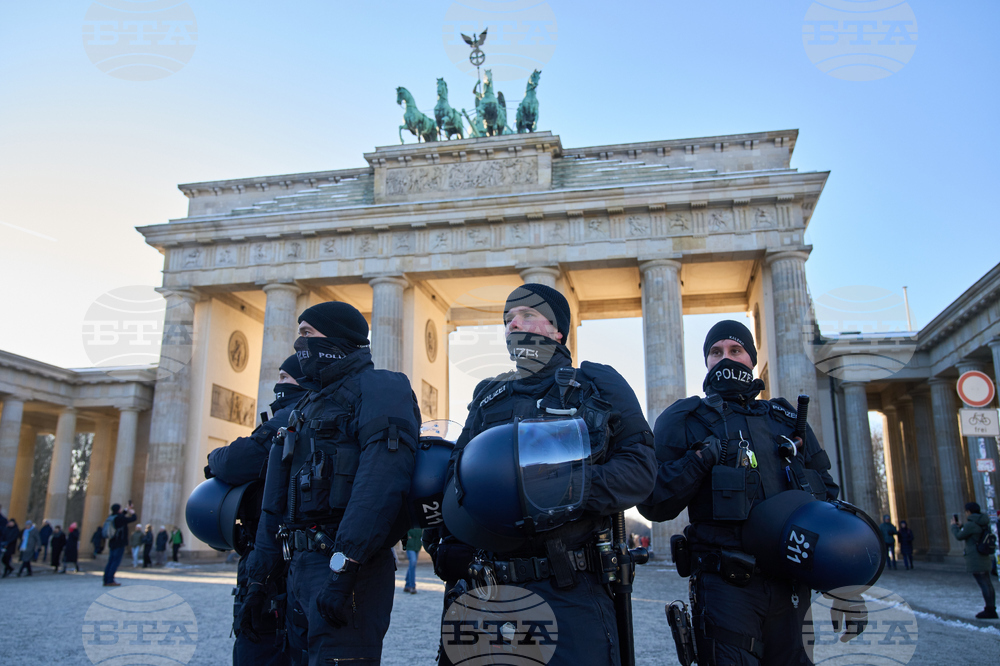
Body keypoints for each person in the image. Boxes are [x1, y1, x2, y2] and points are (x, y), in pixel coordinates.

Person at [440, 284, 656, 665]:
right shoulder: (488, 395)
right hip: (490, 589)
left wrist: (560, 488)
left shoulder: (597, 385)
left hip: (569, 589)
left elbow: (640, 471)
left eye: (526, 315)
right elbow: (454, 476)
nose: (513, 325)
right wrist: (444, 543)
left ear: (558, 329)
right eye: (507, 320)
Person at [639, 320, 842, 665]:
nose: (726, 358)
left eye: (736, 350)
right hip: (725, 588)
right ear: (706, 361)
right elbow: (655, 501)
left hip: (790, 587)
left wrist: (841, 580)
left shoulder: (788, 419)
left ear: (752, 358)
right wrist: (702, 458)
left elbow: (828, 500)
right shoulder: (686, 419)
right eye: (716, 352)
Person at [245, 301, 420, 665]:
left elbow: (381, 482)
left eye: (307, 333)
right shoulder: (304, 407)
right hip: (298, 569)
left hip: (348, 568)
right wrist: (258, 581)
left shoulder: (381, 388)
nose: (299, 343)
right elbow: (274, 502)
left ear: (337, 336)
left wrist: (345, 567)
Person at [206, 352, 311, 666]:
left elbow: (239, 460)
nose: (277, 384)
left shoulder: (291, 414)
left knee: (262, 643)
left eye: (283, 378)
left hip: (271, 555)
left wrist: (213, 459)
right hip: (300, 554)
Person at [951, 502, 997, 619]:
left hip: (975, 557)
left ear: (969, 512)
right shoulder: (983, 522)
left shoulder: (971, 524)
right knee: (987, 583)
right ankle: (991, 608)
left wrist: (954, 527)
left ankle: (989, 610)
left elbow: (959, 536)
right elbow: (973, 535)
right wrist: (962, 527)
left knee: (983, 583)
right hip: (984, 555)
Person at [103, 502, 137, 586]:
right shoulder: (120, 518)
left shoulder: (111, 517)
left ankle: (106, 579)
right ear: (118, 509)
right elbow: (132, 519)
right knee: (115, 562)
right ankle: (110, 580)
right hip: (119, 543)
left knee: (110, 561)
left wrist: (127, 509)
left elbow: (122, 516)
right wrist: (133, 513)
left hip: (112, 542)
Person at [403, 527, 422, 594]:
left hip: (417, 545)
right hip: (410, 546)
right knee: (413, 562)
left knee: (412, 564)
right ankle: (412, 586)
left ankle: (407, 585)